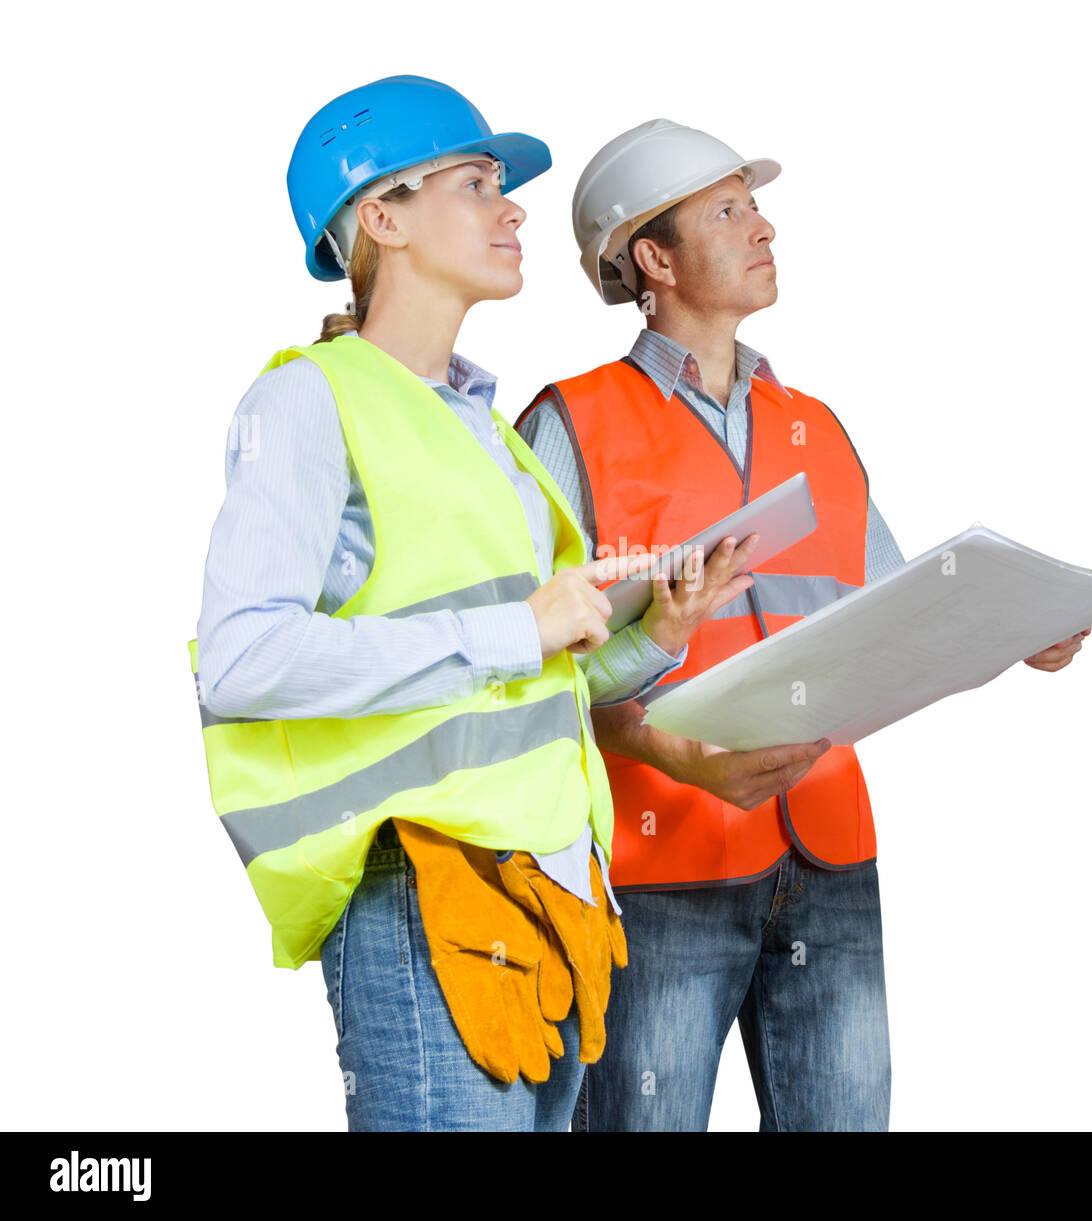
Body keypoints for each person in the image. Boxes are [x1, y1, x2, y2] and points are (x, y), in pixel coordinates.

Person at [185, 80, 753, 1132]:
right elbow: (243, 658)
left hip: (554, 894)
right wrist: (520, 626)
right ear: (381, 218)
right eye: (478, 182)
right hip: (423, 882)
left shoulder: (488, 436)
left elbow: (522, 678)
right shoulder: (308, 399)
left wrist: (648, 642)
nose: (515, 208)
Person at [515, 118, 1091, 1132]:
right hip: (656, 869)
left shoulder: (813, 426)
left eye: (757, 204)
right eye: (729, 210)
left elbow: (896, 614)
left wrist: (1014, 631)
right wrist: (673, 754)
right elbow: (518, 673)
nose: (764, 227)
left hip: (824, 858)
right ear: (653, 256)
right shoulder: (570, 424)